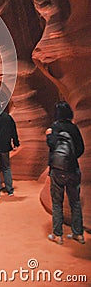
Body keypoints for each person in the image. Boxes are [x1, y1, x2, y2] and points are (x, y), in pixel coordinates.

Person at [46, 101, 85, 245]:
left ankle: (58, 235)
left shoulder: (54, 128)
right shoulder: (74, 128)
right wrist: (72, 159)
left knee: (57, 202)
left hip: (57, 170)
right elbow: (81, 148)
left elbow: (52, 146)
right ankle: (78, 234)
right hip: (73, 169)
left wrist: (49, 135)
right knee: (75, 202)